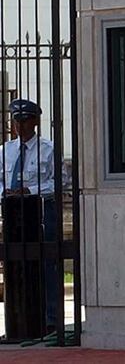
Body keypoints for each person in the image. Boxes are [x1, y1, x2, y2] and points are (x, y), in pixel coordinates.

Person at [3, 98, 60, 334]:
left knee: (47, 262)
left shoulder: (48, 149)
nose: (20, 126)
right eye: (16, 120)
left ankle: (50, 319)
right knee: (15, 263)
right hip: (14, 213)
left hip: (41, 210)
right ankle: (18, 321)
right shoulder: (6, 150)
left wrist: (29, 190)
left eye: (25, 120)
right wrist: (6, 193)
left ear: (35, 121)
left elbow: (60, 183)